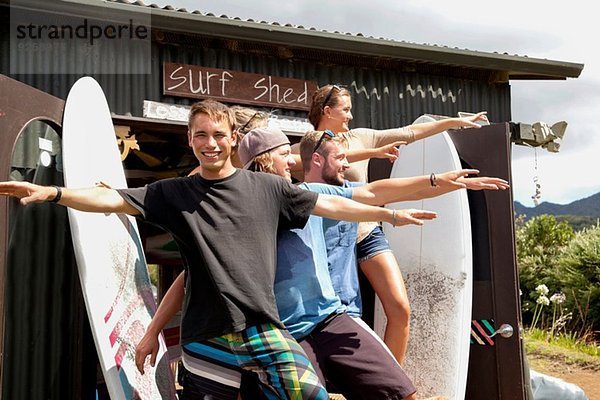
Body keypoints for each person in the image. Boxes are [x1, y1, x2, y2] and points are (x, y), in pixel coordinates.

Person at [0, 99, 448, 400]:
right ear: (189, 140)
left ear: (232, 138)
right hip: (204, 340)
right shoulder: (173, 194)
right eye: (200, 135)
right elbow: (113, 198)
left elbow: (331, 201)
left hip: (263, 330)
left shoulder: (267, 189)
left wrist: (390, 216)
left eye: (217, 134)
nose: (209, 143)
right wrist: (55, 194)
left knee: (311, 393)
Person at [138, 125, 504, 399]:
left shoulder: (306, 194)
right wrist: (154, 330)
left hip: (332, 320)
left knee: (401, 393)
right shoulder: (237, 211)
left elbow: (373, 192)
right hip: (284, 337)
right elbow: (187, 279)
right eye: (286, 154)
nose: (294, 161)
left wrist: (441, 180)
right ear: (267, 160)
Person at [294, 84, 491, 364]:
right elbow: (279, 164)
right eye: (346, 110)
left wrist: (453, 122)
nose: (350, 116)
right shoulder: (306, 146)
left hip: (365, 232)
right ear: (327, 111)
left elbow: (409, 133)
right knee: (332, 318)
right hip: (327, 243)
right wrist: (372, 155)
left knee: (399, 309)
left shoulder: (362, 137)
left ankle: (390, 385)